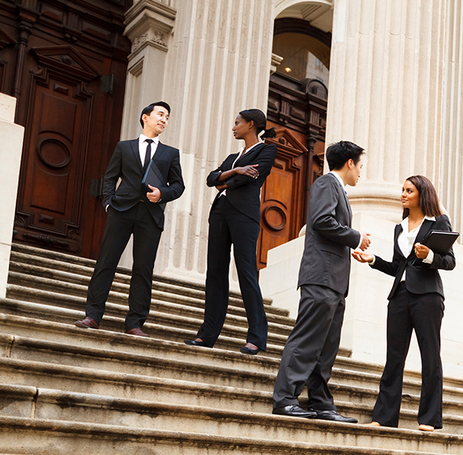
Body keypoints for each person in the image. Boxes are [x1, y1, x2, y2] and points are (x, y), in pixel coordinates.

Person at [272, 140, 371, 422]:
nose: (361, 172)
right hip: (321, 276)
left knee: (326, 347)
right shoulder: (327, 184)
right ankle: (285, 399)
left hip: (335, 280)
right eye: (360, 165)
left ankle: (320, 402)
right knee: (306, 340)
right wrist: (356, 237)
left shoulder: (338, 189)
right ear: (349, 163)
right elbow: (322, 221)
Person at [352, 175, 455, 431]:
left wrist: (430, 255)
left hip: (428, 297)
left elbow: (450, 261)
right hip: (399, 295)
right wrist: (372, 259)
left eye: (409, 190)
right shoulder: (400, 227)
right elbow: (398, 267)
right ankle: (384, 417)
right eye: (402, 190)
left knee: (430, 357)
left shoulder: (438, 222)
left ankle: (430, 419)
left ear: (422, 194)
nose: (403, 194)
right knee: (394, 358)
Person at [74, 101, 185, 337]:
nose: (164, 119)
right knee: (106, 262)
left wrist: (161, 194)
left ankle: (135, 323)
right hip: (121, 211)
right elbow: (110, 176)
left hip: (151, 217)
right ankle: (93, 316)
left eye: (167, 117)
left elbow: (178, 186)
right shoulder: (124, 147)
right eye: (160, 114)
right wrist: (108, 203)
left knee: (143, 270)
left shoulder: (170, 153)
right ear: (145, 117)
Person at [184, 109, 277, 355]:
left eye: (237, 123)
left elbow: (253, 178)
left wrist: (227, 180)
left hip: (244, 215)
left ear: (251, 124)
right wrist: (235, 172)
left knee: (246, 273)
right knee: (215, 273)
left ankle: (257, 337)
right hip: (220, 212)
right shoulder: (233, 157)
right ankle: (206, 336)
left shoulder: (267, 150)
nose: (233, 127)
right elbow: (211, 179)